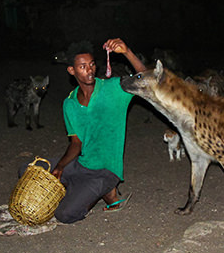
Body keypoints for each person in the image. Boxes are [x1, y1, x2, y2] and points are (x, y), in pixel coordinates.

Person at [19, 38, 145, 224]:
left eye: (92, 64)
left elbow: (147, 78)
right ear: (72, 70)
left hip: (106, 171)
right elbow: (76, 144)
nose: (90, 70)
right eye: (82, 66)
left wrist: (127, 52)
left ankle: (105, 191)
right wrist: (60, 167)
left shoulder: (113, 89)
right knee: (27, 170)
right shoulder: (70, 103)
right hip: (81, 164)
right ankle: (85, 190)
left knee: (65, 215)